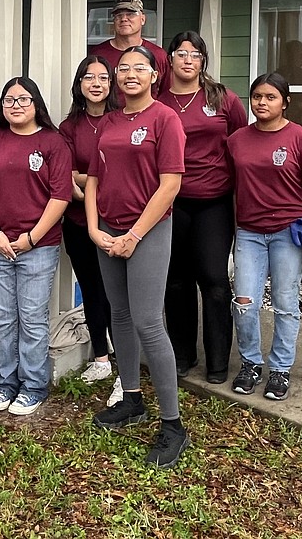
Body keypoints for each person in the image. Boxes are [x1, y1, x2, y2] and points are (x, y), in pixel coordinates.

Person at [85, 45, 188, 468]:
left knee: (148, 321)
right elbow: (92, 178)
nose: (128, 74)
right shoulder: (109, 121)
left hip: (147, 231)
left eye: (138, 68)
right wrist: (94, 229)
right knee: (120, 315)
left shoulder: (165, 119)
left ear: (154, 76)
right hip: (107, 231)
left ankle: (173, 424)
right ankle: (131, 399)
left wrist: (133, 235)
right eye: (121, 69)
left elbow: (170, 185)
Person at [0, 78, 72, 416]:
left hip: (38, 247)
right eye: (8, 100)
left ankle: (33, 386)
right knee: (0, 317)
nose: (15, 105)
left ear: (36, 104)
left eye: (23, 99)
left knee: (31, 318)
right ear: (1, 107)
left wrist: (31, 238)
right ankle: (5, 383)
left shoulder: (53, 143)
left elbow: (61, 196)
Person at [226, 73, 302, 401]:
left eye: (270, 97)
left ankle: (280, 369)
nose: (262, 103)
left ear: (285, 102)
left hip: (288, 233)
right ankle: (251, 363)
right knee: (244, 302)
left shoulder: (301, 140)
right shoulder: (237, 139)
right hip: (249, 233)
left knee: (285, 303)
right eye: (257, 97)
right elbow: (231, 188)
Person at [157, 31, 246, 384]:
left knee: (213, 279)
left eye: (195, 54)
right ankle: (182, 354)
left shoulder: (222, 98)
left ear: (203, 61)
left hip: (214, 202)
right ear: (170, 59)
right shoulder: (157, 100)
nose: (188, 60)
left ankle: (218, 361)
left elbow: (241, 142)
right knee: (176, 281)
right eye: (181, 53)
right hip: (170, 202)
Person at [59, 56, 119, 395]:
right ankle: (100, 358)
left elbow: (125, 172)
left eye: (102, 77)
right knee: (93, 288)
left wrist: (88, 180)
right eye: (88, 77)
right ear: (79, 85)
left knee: (117, 291)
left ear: (111, 84)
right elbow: (66, 179)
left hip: (118, 220)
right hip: (79, 221)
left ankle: (125, 355)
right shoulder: (69, 128)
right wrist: (94, 183)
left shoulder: (121, 120)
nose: (95, 83)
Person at [90, 0, 169, 102]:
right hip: (108, 116)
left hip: (147, 117)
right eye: (118, 15)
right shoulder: (98, 54)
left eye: (130, 14)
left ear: (142, 19)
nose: (124, 19)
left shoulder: (158, 55)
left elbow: (166, 94)